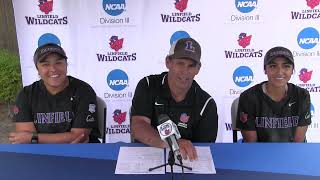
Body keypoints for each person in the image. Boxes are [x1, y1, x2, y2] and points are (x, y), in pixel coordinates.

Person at [130, 37, 218, 160]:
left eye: (191, 66)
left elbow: (203, 149)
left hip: (184, 162)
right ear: (168, 62)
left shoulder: (206, 104)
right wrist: (173, 143)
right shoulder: (148, 85)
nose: (185, 71)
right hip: (146, 158)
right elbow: (138, 127)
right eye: (180, 63)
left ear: (198, 68)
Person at [9, 43, 100, 144]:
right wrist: (68, 138)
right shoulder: (26, 94)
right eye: (45, 64)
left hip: (81, 153)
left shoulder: (83, 90)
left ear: (66, 65)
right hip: (42, 154)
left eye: (58, 63)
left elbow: (80, 137)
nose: (53, 69)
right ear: (38, 69)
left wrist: (34, 138)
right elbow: (26, 141)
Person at [236, 46, 311, 142]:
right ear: (265, 70)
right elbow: (251, 145)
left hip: (292, 153)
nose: (279, 72)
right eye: (273, 66)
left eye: (286, 66)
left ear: (292, 70)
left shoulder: (302, 95)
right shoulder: (248, 97)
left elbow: (298, 143)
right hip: (260, 154)